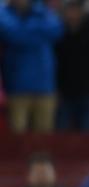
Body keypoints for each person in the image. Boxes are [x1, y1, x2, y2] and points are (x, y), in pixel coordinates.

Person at [0, 0, 63, 133]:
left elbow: (56, 29)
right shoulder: (3, 11)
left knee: (43, 139)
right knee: (17, 137)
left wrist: (23, 29)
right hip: (16, 86)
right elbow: (13, 33)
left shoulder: (42, 10)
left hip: (45, 85)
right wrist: (38, 32)